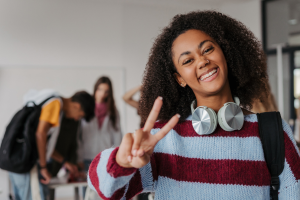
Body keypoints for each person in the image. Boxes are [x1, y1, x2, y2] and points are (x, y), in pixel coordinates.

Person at [87, 11, 300, 199]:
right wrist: (121, 162)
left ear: (226, 53)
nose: (202, 61)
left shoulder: (272, 130)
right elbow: (108, 191)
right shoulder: (163, 137)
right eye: (187, 61)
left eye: (208, 49)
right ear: (179, 78)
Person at [9, 89, 95, 200]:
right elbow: (40, 134)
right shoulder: (56, 103)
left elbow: (46, 145)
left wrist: (65, 162)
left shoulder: (52, 103)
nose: (76, 119)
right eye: (80, 115)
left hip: (16, 157)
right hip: (25, 161)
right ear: (77, 106)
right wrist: (44, 167)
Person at [80, 77, 122, 196]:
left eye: (106, 91)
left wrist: (117, 156)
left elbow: (117, 134)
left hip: (104, 156)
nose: (102, 93)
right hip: (87, 156)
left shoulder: (113, 111)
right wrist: (78, 157)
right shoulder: (86, 108)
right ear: (95, 89)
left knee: (104, 190)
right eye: (100, 89)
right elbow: (79, 135)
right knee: (88, 192)